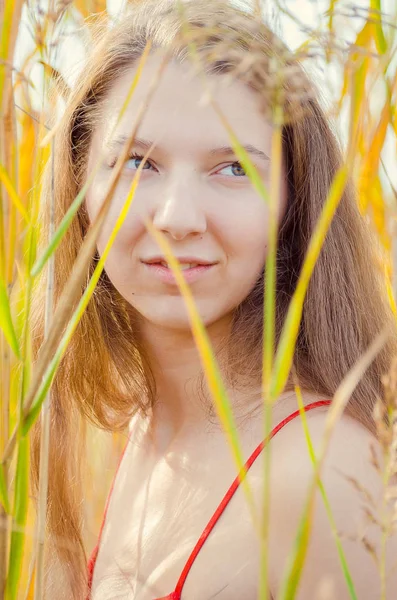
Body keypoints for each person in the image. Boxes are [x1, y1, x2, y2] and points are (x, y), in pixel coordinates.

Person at [30, 0, 397, 598]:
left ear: (293, 201)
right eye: (136, 162)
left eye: (231, 170)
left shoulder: (324, 478)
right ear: (79, 185)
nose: (177, 218)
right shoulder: (124, 436)